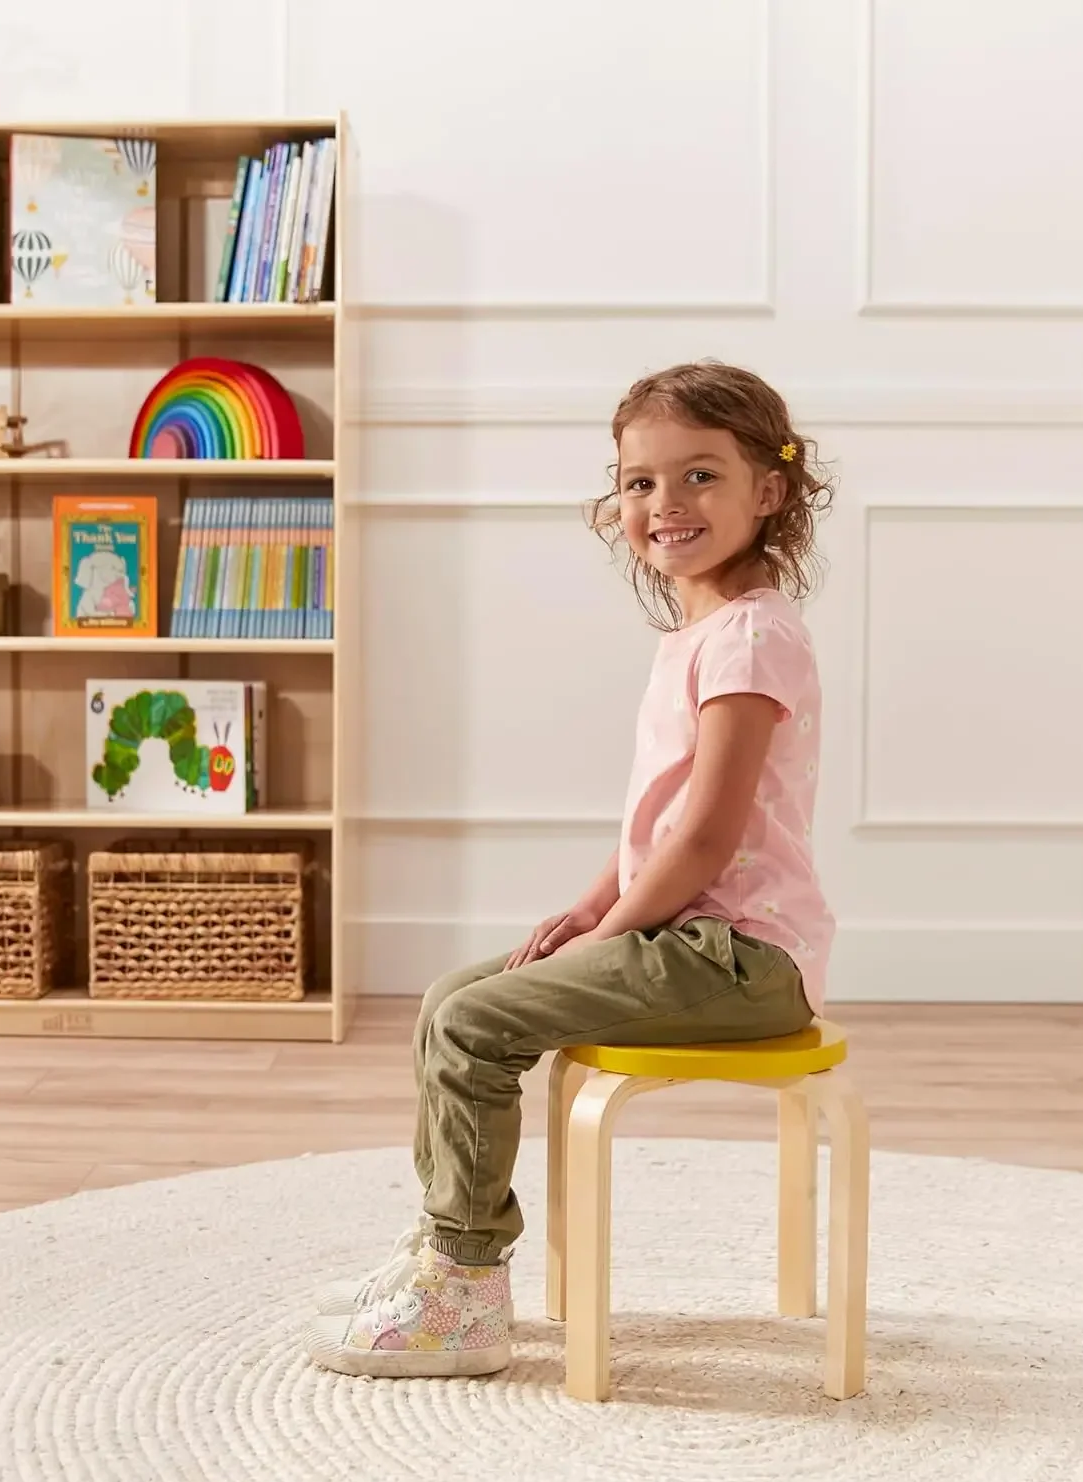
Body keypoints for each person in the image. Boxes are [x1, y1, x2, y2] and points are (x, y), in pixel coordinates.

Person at [306, 360, 837, 1378]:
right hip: (689, 936)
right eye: (640, 482)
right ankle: (442, 1252)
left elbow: (707, 841)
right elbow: (663, 820)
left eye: (699, 476)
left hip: (738, 957)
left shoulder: (752, 640)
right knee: (455, 996)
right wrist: (595, 903)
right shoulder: (708, 632)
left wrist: (614, 930)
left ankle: (463, 1296)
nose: (664, 504)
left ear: (770, 490)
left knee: (474, 1024)